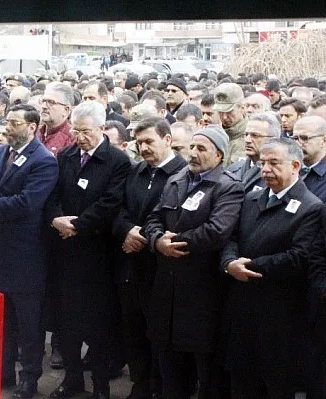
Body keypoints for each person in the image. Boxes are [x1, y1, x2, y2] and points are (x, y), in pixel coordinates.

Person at [143, 125, 244, 399]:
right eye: (192, 148)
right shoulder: (177, 179)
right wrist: (156, 241)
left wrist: (175, 242)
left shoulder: (228, 187)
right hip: (167, 291)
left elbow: (217, 230)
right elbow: (153, 218)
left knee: (206, 373)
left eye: (202, 149)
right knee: (170, 372)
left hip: (202, 293)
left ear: (219, 156)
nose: (194, 154)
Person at [0, 104, 58, 398]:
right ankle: (3, 372)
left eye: (15, 123)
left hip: (25, 256)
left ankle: (30, 377)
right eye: (7, 121)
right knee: (1, 320)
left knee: (28, 326)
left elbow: (28, 202)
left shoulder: (44, 161)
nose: (7, 128)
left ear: (32, 127)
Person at [221, 137, 322, 398]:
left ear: (295, 166)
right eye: (263, 163)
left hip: (281, 315)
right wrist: (229, 262)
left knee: (276, 383)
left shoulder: (311, 207)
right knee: (242, 380)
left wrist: (251, 266)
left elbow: (299, 256)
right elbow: (231, 237)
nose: (265, 169)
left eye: (274, 163)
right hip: (242, 307)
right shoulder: (252, 197)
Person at [45, 101, 130, 399]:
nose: (79, 137)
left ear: (101, 128)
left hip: (97, 254)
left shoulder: (117, 161)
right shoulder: (67, 156)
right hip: (65, 253)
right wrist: (56, 219)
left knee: (98, 324)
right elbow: (52, 194)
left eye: (85, 131)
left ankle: (101, 384)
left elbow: (111, 202)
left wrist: (78, 225)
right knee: (66, 321)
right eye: (75, 130)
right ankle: (72, 378)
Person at [113, 117, 187, 399]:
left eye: (149, 142)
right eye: (139, 142)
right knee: (132, 328)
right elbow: (117, 207)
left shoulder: (181, 173)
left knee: (159, 335)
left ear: (167, 140)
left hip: (160, 267)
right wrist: (125, 230)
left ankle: (160, 386)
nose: (143, 148)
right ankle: (140, 383)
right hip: (129, 264)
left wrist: (142, 236)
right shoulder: (137, 170)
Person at [227, 112, 281, 193]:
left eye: (255, 136)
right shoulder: (233, 169)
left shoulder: (279, 174)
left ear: (273, 139)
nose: (247, 140)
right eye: (246, 135)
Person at [213, 83, 247, 165]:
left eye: (229, 112)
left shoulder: (252, 137)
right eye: (220, 112)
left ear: (242, 108)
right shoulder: (215, 136)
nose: (224, 117)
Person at [38, 82, 75, 157]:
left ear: (66, 109)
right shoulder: (34, 131)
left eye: (51, 102)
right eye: (43, 101)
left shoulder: (72, 139)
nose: (44, 106)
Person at [295, 116, 326, 202]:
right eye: (295, 138)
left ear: (323, 140)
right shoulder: (290, 168)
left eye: (304, 138)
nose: (298, 143)